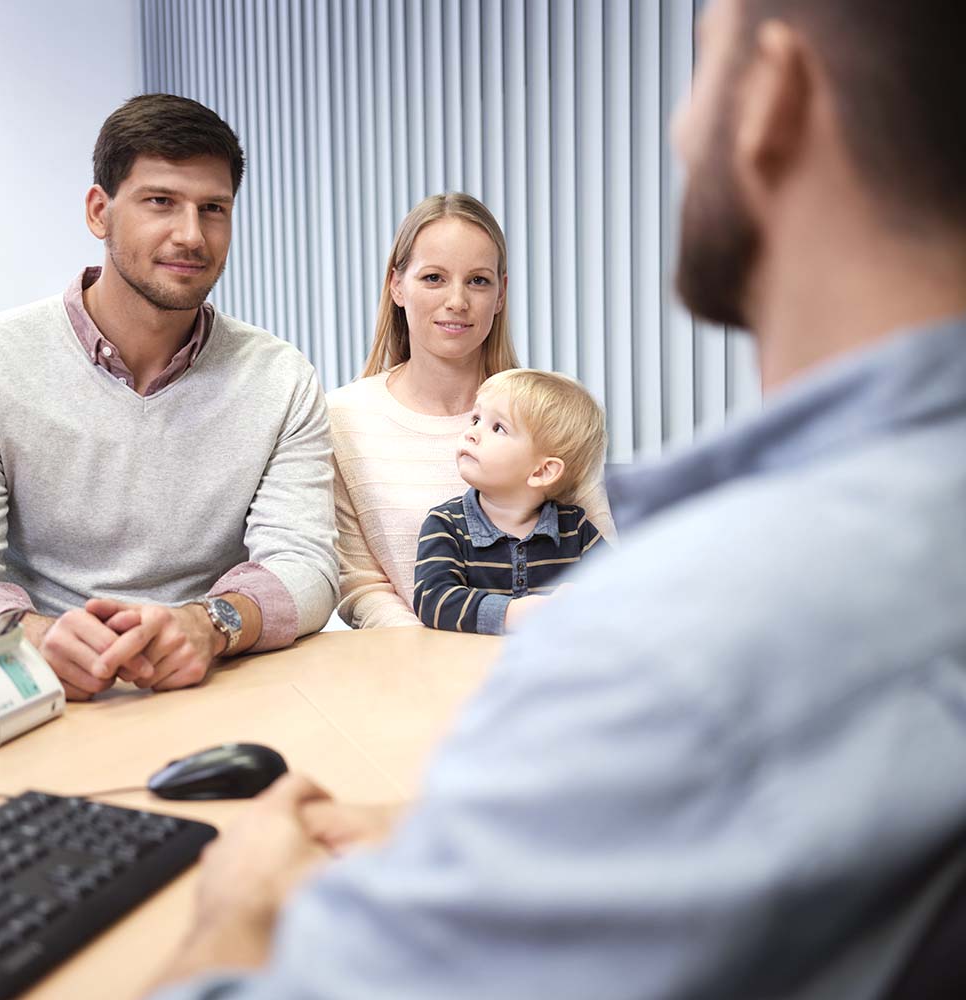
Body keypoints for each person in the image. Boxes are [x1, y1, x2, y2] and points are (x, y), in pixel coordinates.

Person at [150, 0, 966, 997]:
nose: (680, 130)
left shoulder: (665, 647)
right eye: (434, 277)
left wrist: (233, 907)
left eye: (701, 65)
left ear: (770, 98)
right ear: (397, 285)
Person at [0, 94, 338, 701]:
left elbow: (306, 566)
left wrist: (211, 624)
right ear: (100, 212)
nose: (191, 235)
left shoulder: (280, 377)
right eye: (160, 201)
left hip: (215, 680)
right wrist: (33, 635)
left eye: (213, 208)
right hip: (44, 691)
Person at [327, 193, 615, 629]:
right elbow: (362, 586)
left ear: (500, 294)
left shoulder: (548, 415)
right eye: (434, 278)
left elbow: (607, 571)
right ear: (397, 285)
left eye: (478, 281)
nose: (457, 301)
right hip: (411, 661)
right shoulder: (342, 417)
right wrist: (432, 656)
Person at [414, 369, 607, 634]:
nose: (471, 433)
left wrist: (585, 596)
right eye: (476, 419)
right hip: (467, 659)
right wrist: (511, 613)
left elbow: (621, 585)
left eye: (498, 428)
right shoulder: (446, 524)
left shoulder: (575, 528)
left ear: (542, 471)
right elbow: (433, 601)